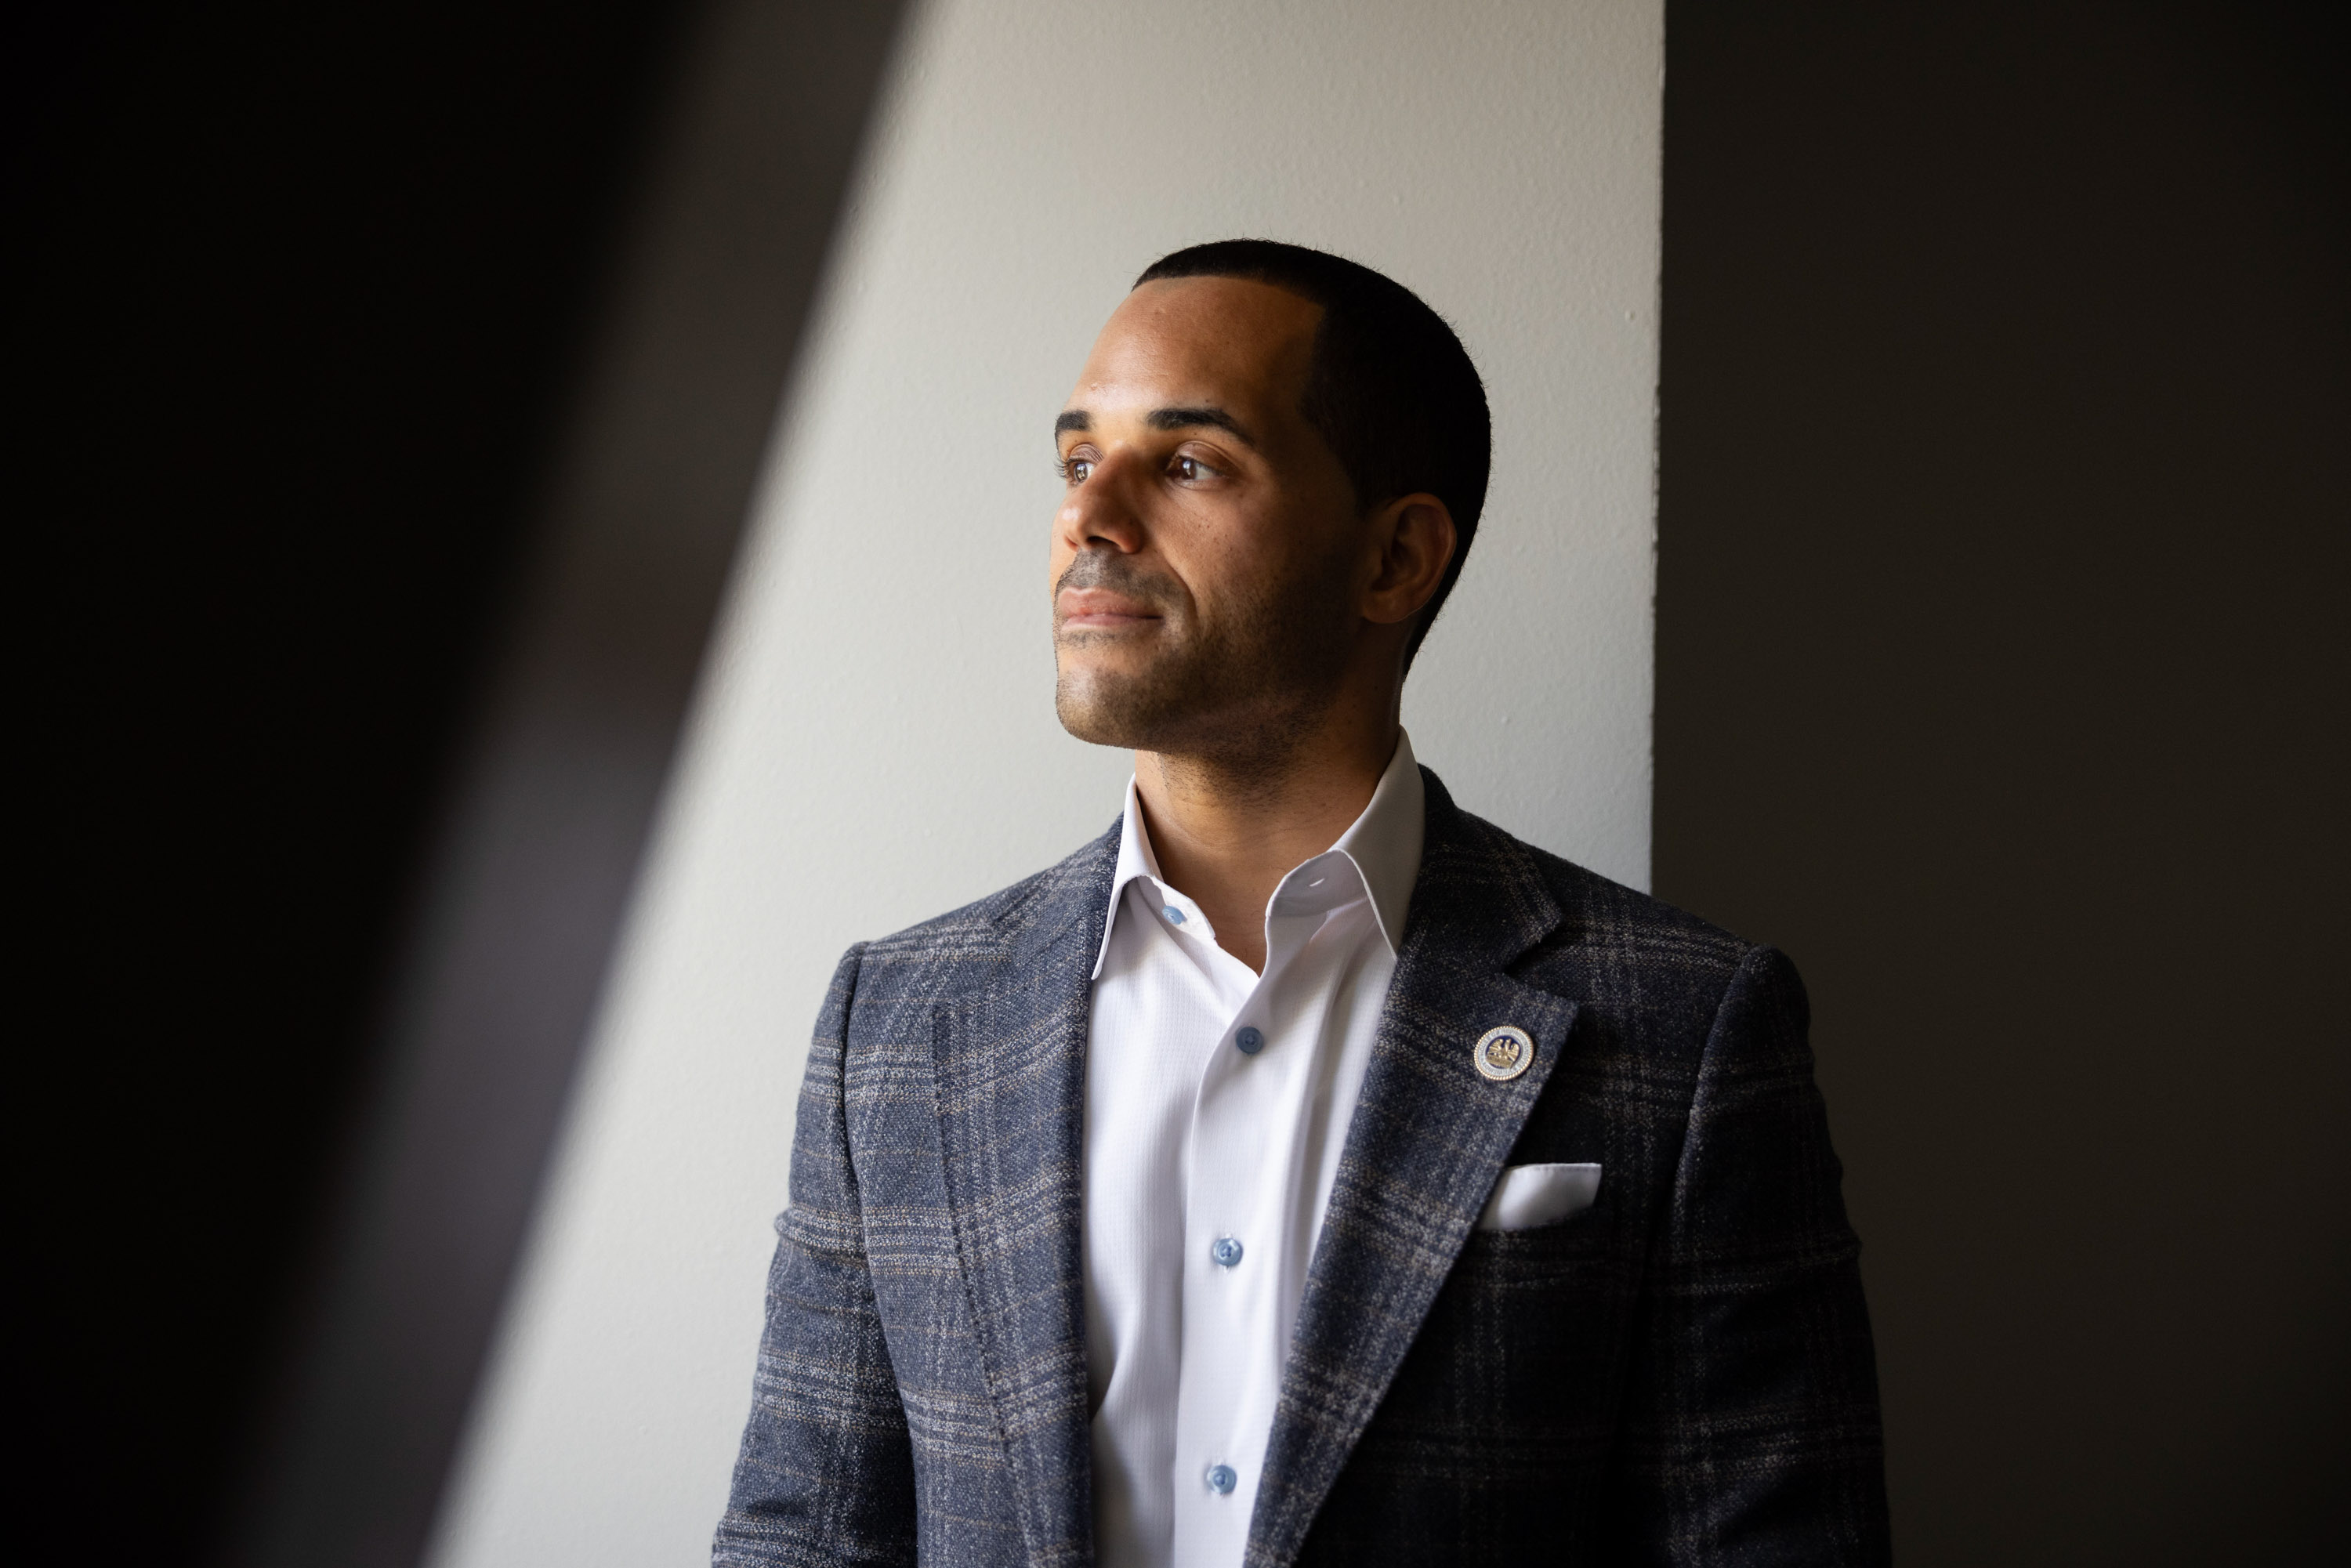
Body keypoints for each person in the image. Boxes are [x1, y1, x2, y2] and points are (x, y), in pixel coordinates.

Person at [712, 240, 1889, 1567]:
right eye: (1075, 458)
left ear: (1396, 557)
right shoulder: (901, 1022)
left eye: (1189, 462)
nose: (1090, 518)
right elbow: (801, 1538)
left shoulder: (1683, 1026)